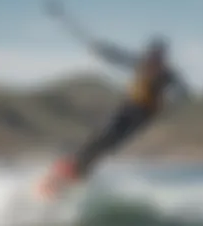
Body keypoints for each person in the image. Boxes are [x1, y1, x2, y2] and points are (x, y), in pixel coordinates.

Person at [49, 35, 191, 185]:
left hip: (143, 114)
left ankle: (82, 169)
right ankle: (76, 163)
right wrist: (101, 49)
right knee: (105, 134)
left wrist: (171, 101)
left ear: (163, 56)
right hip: (129, 107)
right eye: (153, 53)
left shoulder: (167, 74)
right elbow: (118, 57)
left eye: (158, 54)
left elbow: (183, 91)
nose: (154, 57)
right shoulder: (141, 63)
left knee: (113, 142)